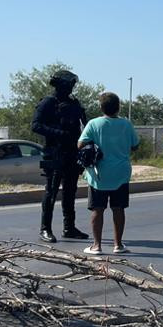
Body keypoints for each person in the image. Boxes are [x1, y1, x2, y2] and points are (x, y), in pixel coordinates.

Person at [77, 92, 139, 255]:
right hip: (121, 173)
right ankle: (118, 245)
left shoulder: (93, 123)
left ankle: (97, 246)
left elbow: (80, 144)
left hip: (99, 174)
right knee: (118, 209)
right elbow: (135, 145)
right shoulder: (126, 124)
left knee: (98, 209)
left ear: (101, 107)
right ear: (118, 107)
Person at [31, 69, 88, 243]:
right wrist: (58, 133)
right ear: (62, 84)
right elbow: (36, 125)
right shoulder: (48, 102)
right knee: (51, 192)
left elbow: (85, 124)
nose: (72, 87)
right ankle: (45, 229)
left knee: (70, 192)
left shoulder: (74, 103)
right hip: (54, 152)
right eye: (70, 84)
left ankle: (69, 227)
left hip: (72, 153)